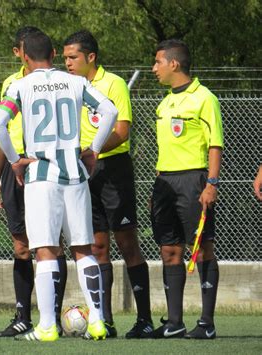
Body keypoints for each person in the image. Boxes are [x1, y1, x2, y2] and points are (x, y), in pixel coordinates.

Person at [0, 31, 118, 341]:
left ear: (24, 56)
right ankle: (98, 322)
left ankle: (47, 326)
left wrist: (13, 160)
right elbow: (110, 112)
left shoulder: (20, 86)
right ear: (52, 53)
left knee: (46, 251)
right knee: (84, 251)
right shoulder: (75, 82)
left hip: (41, 175)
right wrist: (95, 149)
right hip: (74, 173)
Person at [63, 30, 154, 338]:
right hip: (82, 171)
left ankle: (144, 319)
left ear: (91, 57)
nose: (68, 63)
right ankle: (105, 321)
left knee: (127, 244)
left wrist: (94, 151)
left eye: (72, 57)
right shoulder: (71, 86)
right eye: (64, 58)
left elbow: (122, 129)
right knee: (97, 247)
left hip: (113, 170)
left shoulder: (113, 83)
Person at [0, 26, 68, 337]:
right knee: (21, 245)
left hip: (46, 167)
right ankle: (22, 315)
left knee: (51, 244)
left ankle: (54, 317)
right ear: (18, 52)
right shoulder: (12, 83)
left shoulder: (58, 82)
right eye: (23, 48)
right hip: (14, 166)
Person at [151, 39, 223, 339]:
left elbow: (215, 143)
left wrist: (211, 183)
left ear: (174, 64)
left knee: (202, 248)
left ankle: (206, 323)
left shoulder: (205, 98)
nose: (154, 68)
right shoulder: (165, 102)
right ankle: (175, 322)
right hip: (165, 181)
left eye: (157, 62)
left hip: (194, 181)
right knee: (169, 249)